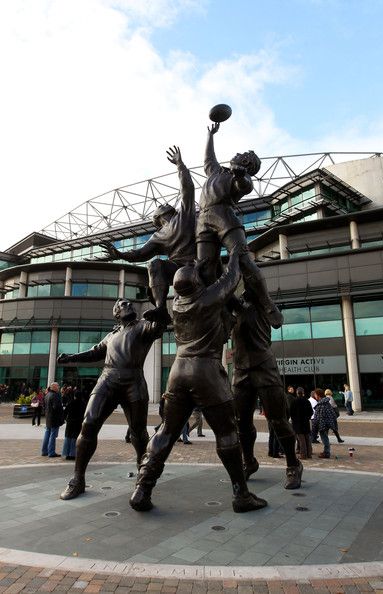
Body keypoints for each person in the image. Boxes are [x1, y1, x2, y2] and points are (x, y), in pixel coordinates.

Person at [130, 248, 267, 513]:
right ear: (198, 283)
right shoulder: (207, 300)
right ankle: (241, 495)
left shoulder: (176, 304)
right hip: (205, 371)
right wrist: (236, 256)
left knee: (166, 431)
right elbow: (231, 279)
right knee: (227, 433)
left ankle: (142, 488)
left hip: (178, 372)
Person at [57, 298, 167, 500]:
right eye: (123, 304)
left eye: (130, 304)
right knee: (89, 423)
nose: (129, 305)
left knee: (138, 432)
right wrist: (71, 357)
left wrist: (160, 311)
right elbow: (93, 353)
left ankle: (142, 478)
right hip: (107, 379)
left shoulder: (143, 327)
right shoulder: (111, 335)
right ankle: (77, 479)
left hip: (133, 381)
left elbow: (160, 327)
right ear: (116, 312)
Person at [195, 122, 282, 330]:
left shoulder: (242, 177)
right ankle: (230, 306)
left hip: (225, 216)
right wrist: (211, 136)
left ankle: (267, 304)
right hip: (203, 220)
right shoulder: (217, 172)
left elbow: (243, 186)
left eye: (241, 154)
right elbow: (208, 159)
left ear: (246, 162)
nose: (236, 154)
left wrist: (241, 174)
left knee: (243, 260)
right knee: (205, 270)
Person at [98, 147, 196, 322]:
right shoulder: (157, 236)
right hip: (176, 267)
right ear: (157, 218)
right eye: (162, 205)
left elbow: (187, 188)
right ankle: (160, 309)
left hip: (196, 263)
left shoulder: (184, 215)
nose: (165, 203)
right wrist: (119, 254)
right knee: (154, 264)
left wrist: (180, 164)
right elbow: (139, 254)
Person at [232, 288, 303, 488]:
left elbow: (278, 320)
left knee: (278, 421)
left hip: (264, 367)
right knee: (241, 422)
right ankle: (249, 461)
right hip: (241, 370)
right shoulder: (235, 310)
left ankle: (293, 465)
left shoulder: (264, 308)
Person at [62, 387, 88, 460]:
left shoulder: (71, 403)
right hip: (78, 423)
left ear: (75, 396)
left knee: (68, 437)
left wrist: (64, 419)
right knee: (75, 438)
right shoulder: (83, 404)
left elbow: (65, 412)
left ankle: (66, 453)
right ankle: (73, 454)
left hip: (70, 422)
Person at [311, 388, 338, 459]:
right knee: (325, 437)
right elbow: (332, 414)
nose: (315, 396)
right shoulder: (326, 402)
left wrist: (314, 428)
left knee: (324, 438)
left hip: (323, 424)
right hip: (327, 423)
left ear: (318, 395)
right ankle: (326, 451)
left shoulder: (321, 404)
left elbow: (318, 418)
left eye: (315, 395)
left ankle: (326, 452)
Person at [289, 387, 313, 460]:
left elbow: (291, 412)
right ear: (303, 393)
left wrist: (294, 419)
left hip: (297, 423)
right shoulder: (307, 401)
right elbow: (311, 412)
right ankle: (309, 454)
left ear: (297, 393)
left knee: (301, 439)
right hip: (305, 422)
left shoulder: (294, 401)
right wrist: (308, 417)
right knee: (307, 438)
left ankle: (303, 455)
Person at [41, 382, 63, 458]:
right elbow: (56, 407)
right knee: (52, 435)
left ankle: (44, 451)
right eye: (58, 386)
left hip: (48, 418)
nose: (59, 388)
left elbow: (44, 406)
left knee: (47, 434)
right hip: (54, 419)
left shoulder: (47, 395)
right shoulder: (55, 395)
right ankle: (51, 452)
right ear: (54, 387)